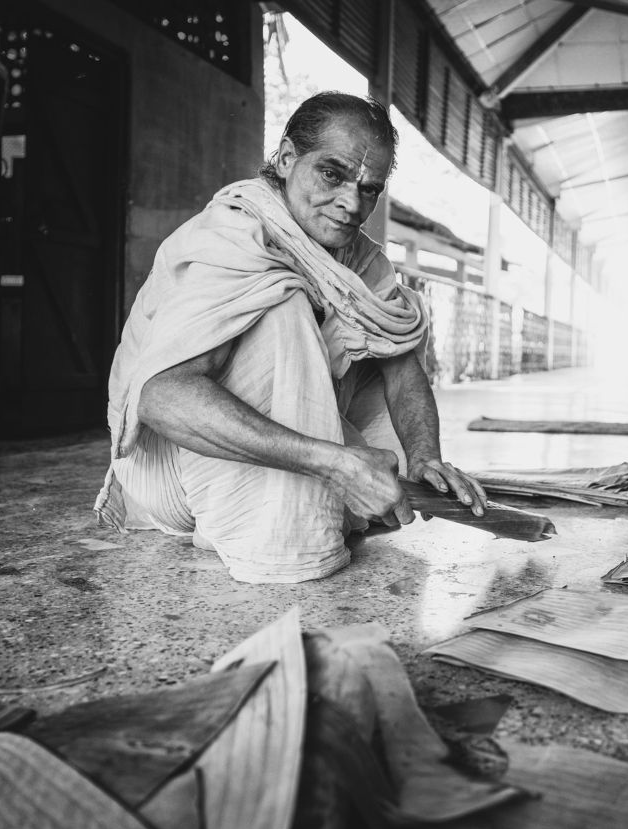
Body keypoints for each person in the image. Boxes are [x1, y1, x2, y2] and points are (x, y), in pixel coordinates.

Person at [95, 92, 486, 583]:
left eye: (369, 189)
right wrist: (334, 464)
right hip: (170, 478)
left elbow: (402, 368)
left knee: (387, 327)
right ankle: (270, 528)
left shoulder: (361, 260)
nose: (351, 203)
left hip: (271, 457)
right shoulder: (233, 237)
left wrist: (427, 456)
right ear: (285, 159)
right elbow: (160, 399)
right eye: (332, 174)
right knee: (285, 304)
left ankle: (311, 499)